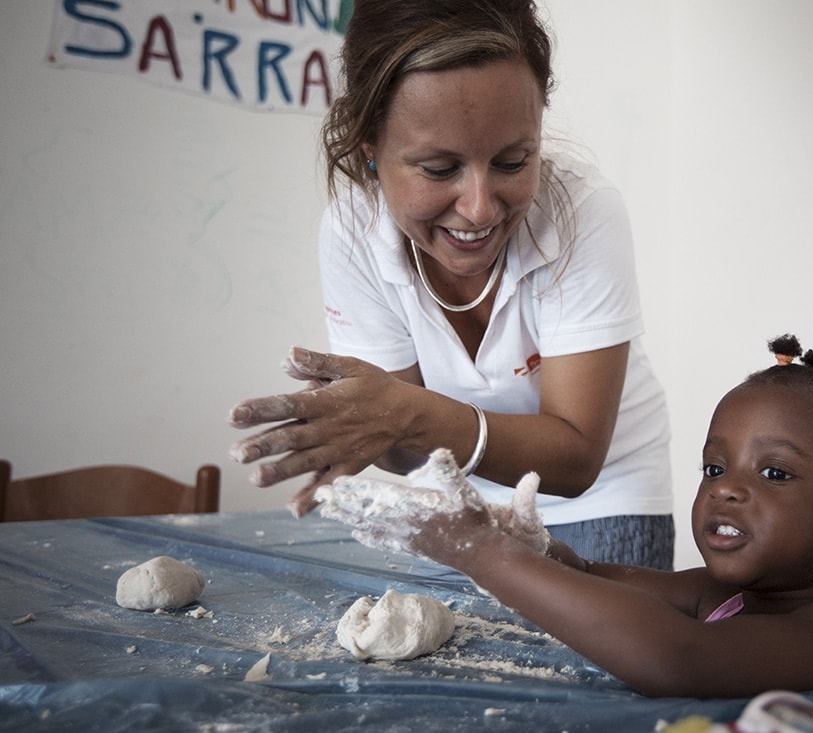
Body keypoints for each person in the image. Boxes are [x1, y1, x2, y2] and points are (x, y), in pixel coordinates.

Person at [227, 0, 674, 568]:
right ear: (370, 151)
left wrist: (401, 413)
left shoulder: (583, 213)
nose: (480, 207)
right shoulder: (352, 229)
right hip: (454, 499)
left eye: (514, 161)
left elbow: (576, 458)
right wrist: (370, 422)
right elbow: (398, 452)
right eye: (439, 170)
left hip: (604, 499)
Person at [316, 334, 813, 707]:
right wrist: (529, 546)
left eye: (774, 474)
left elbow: (681, 663)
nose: (726, 493)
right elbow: (594, 577)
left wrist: (478, 552)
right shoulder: (718, 595)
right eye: (714, 470)